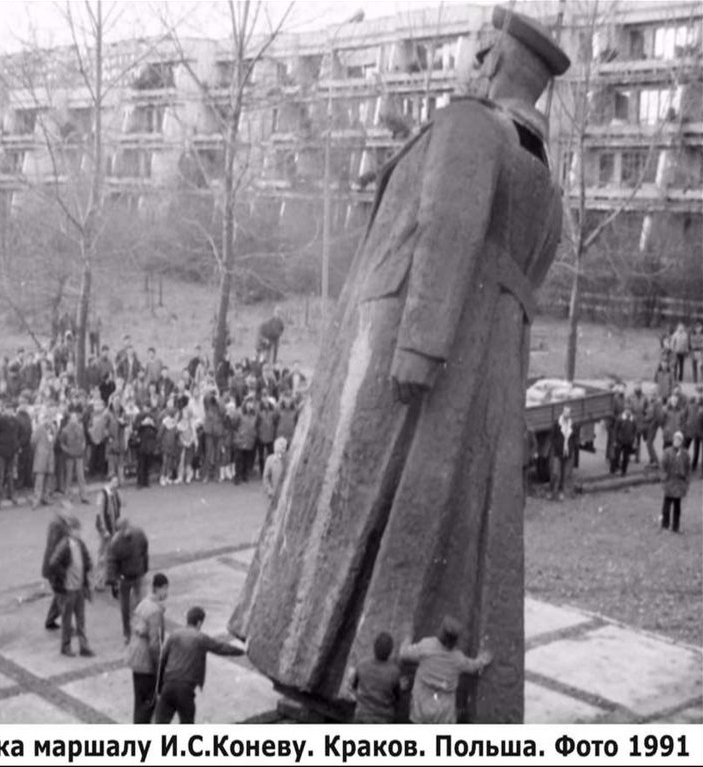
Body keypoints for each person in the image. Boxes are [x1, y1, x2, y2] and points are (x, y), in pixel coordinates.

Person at [229, 7, 569, 723]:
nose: (460, 61)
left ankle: (321, 666)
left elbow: (448, 225)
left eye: (468, 50)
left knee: (354, 508)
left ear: (488, 58)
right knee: (442, 522)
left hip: (404, 346)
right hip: (487, 360)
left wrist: (421, 343)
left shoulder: (472, 125)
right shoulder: (544, 176)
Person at [154, 606, 244, 724]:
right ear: (199, 623)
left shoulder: (174, 635)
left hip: (168, 687)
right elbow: (221, 648)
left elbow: (162, 660)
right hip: (185, 689)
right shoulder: (201, 638)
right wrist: (242, 651)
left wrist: (159, 688)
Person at [399, 616, 492, 724]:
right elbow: (473, 667)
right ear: (456, 641)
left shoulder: (426, 646)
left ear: (440, 633)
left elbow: (403, 654)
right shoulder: (458, 659)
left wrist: (408, 636)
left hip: (420, 710)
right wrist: (482, 660)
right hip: (443, 715)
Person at [48, 514, 95, 657]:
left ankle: (84, 646)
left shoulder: (80, 544)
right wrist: (65, 575)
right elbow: (53, 563)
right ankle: (66, 646)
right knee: (67, 620)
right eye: (77, 529)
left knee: (81, 619)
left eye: (79, 529)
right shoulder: (64, 546)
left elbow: (86, 559)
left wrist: (89, 567)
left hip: (79, 587)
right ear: (70, 530)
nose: (79, 532)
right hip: (68, 589)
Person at [127, 573, 169, 723]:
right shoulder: (155, 611)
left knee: (139, 701)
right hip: (146, 662)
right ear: (161, 588)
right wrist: (159, 668)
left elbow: (134, 624)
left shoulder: (143, 603)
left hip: (135, 657)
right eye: (166, 589)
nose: (167, 593)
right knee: (148, 704)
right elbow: (154, 643)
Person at [107, 517, 150, 643]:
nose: (127, 531)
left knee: (141, 603)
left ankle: (142, 628)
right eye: (123, 529)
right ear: (119, 530)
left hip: (137, 575)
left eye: (127, 528)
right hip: (125, 578)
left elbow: (144, 551)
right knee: (125, 607)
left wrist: (144, 568)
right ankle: (127, 632)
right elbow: (112, 562)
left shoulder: (139, 535)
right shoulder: (116, 543)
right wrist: (114, 579)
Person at [345, 632, 402, 724]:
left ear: (374, 647)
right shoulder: (394, 672)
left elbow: (354, 686)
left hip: (362, 715)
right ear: (390, 652)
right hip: (383, 718)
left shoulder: (362, 665)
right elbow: (397, 697)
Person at [42, 507, 70, 630]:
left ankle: (50, 619)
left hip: (54, 568)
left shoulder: (58, 525)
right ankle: (67, 627)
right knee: (63, 596)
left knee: (60, 595)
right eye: (67, 510)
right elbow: (56, 550)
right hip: (55, 569)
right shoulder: (58, 528)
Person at [94, 475, 123, 590]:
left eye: (117, 482)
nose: (116, 484)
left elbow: (122, 505)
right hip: (106, 529)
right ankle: (99, 581)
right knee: (102, 556)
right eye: (114, 482)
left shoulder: (114, 494)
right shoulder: (102, 495)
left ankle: (109, 577)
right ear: (108, 482)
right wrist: (104, 530)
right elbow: (100, 515)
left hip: (114, 529)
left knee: (111, 554)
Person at [660, 432, 691, 534]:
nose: (677, 441)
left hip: (679, 483)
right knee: (666, 505)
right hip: (670, 481)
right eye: (675, 439)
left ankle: (675, 526)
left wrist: (686, 481)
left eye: (679, 440)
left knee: (677, 506)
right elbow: (663, 466)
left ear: (681, 442)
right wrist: (664, 478)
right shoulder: (667, 452)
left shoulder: (685, 454)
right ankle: (665, 524)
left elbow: (688, 469)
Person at [59, 409, 89, 503]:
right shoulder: (65, 430)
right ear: (69, 419)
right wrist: (68, 451)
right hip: (70, 457)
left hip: (79, 456)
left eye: (75, 418)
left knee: (81, 477)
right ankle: (68, 496)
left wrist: (83, 447)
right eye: (73, 418)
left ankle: (83, 496)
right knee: (69, 477)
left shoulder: (80, 428)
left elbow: (83, 440)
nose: (75, 420)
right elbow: (62, 444)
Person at [549, 405, 578, 501]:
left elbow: (575, 438)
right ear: (562, 412)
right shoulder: (557, 424)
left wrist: (571, 447)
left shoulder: (573, 425)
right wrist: (556, 446)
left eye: (568, 412)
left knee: (567, 474)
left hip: (568, 453)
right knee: (555, 473)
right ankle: (554, 493)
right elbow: (552, 437)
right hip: (558, 452)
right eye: (565, 412)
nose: (567, 414)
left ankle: (566, 493)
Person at [611, 406, 637, 477]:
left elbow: (635, 430)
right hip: (619, 440)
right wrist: (614, 440)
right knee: (616, 456)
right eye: (627, 410)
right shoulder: (620, 418)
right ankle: (613, 469)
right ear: (624, 410)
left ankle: (623, 471)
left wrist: (634, 440)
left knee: (626, 457)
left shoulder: (633, 419)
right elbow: (615, 430)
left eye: (629, 410)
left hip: (628, 441)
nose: (628, 412)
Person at [262, 436, 288, 503]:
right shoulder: (270, 460)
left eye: (284, 446)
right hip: (273, 493)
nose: (283, 448)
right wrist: (269, 490)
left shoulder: (289, 459)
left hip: (285, 494)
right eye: (281, 445)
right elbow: (265, 477)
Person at [690, 320, 703, 385]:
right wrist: (698, 344)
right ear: (695, 328)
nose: (698, 329)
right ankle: (695, 380)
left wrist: (699, 344)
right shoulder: (692, 334)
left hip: (701, 351)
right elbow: (692, 343)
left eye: (699, 327)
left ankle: (702, 380)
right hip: (694, 351)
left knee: (701, 366)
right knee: (694, 366)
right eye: (697, 327)